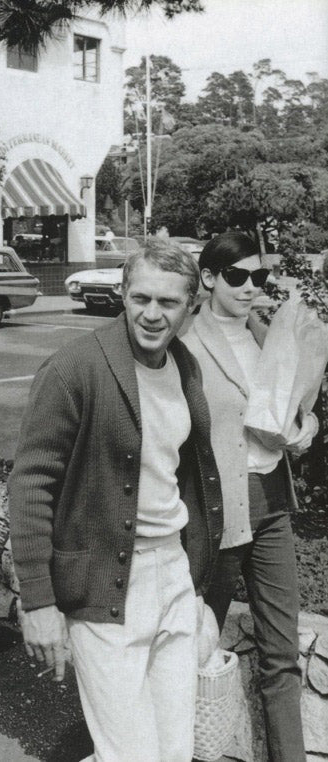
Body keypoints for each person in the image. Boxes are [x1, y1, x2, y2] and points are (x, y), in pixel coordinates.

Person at [9, 239, 223, 762]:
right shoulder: (75, 368)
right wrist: (38, 602)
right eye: (140, 298)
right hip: (104, 582)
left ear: (190, 307)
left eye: (168, 303)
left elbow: (187, 477)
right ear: (123, 293)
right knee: (131, 753)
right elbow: (31, 484)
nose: (151, 314)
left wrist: (194, 582)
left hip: (172, 571)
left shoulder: (185, 366)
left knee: (175, 748)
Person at [182, 231, 317, 762]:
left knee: (281, 655)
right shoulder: (185, 343)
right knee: (195, 647)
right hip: (216, 514)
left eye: (258, 277)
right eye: (236, 276)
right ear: (210, 278)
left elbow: (294, 410)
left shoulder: (274, 335)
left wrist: (305, 428)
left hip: (272, 505)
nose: (249, 287)